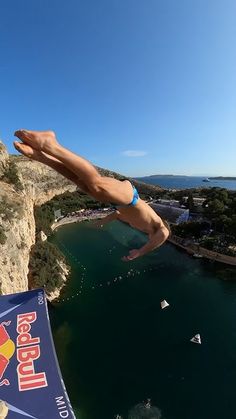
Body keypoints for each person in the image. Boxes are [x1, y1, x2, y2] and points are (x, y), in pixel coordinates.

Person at [13, 129, 170, 261]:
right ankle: (50, 144)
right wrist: (139, 252)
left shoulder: (142, 227)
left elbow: (117, 214)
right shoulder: (159, 228)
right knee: (96, 184)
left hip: (119, 203)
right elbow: (162, 236)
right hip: (130, 197)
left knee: (80, 182)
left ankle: (40, 156)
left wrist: (103, 222)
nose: (154, 241)